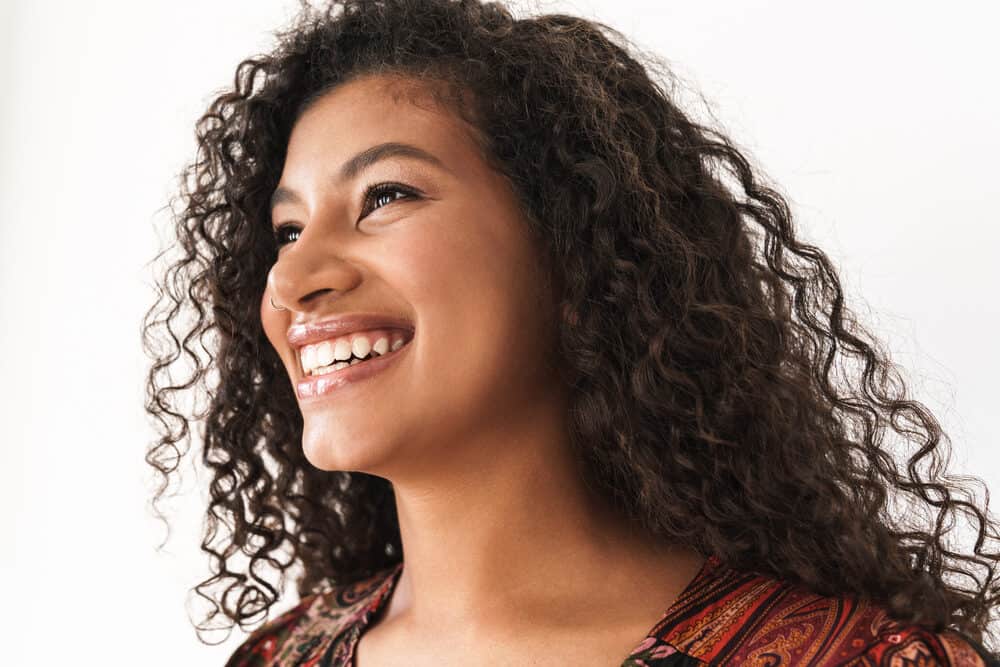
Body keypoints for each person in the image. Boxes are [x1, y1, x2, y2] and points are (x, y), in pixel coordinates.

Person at [142, 0, 1000, 664]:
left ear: (570, 246)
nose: (294, 280)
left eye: (387, 196)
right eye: (286, 232)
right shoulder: (275, 656)